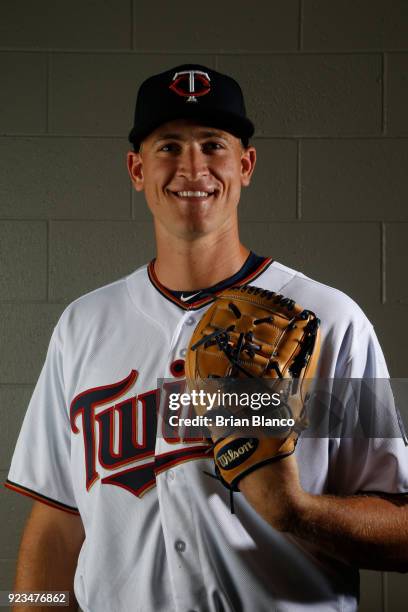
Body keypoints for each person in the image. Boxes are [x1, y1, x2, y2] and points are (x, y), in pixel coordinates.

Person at [6, 64, 408, 612]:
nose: (191, 166)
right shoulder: (82, 326)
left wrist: (298, 513)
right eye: (168, 146)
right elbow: (55, 526)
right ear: (136, 169)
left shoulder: (331, 319)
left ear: (245, 165)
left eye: (213, 145)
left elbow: (402, 527)